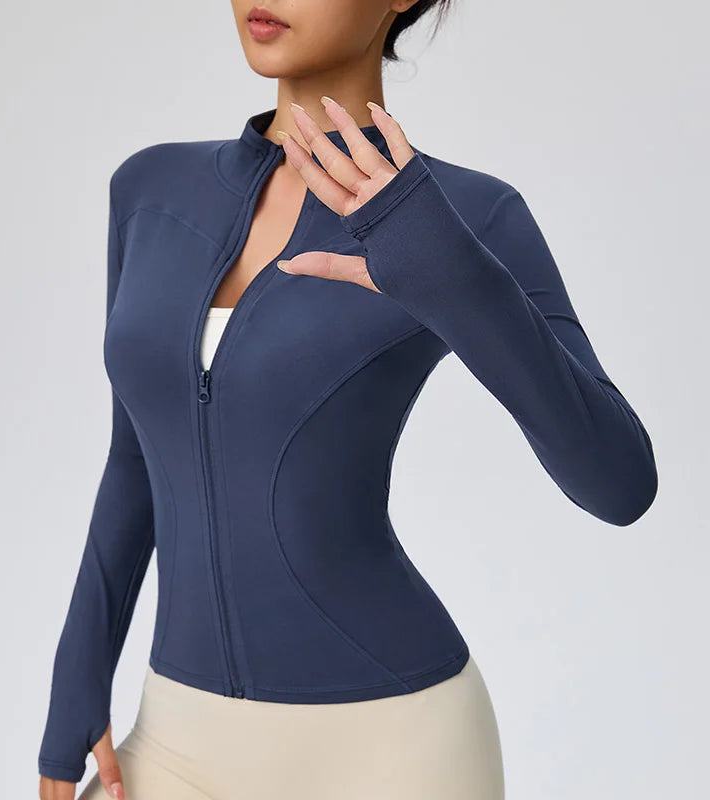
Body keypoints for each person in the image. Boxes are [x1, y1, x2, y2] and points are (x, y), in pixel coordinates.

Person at [37, 2, 658, 798]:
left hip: (394, 748)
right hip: (175, 741)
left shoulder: (469, 214)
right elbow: (136, 460)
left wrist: (449, 271)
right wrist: (77, 677)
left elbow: (619, 484)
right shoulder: (150, 190)